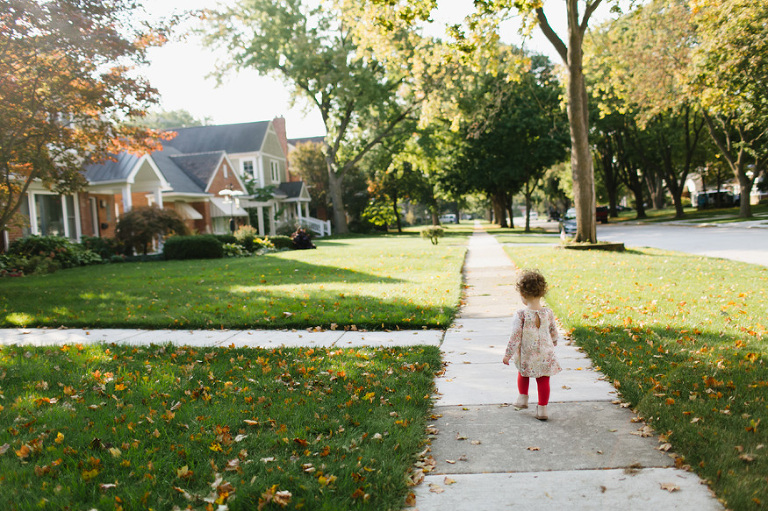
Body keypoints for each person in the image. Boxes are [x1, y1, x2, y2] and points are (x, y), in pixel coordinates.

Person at [502, 269, 562, 420]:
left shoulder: (521, 315)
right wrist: (553, 341)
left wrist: (508, 354)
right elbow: (553, 331)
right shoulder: (548, 312)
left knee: (523, 373)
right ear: (542, 293)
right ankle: (542, 409)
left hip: (528, 354)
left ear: (523, 295)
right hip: (545, 352)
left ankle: (523, 398)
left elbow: (515, 336)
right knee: (543, 379)